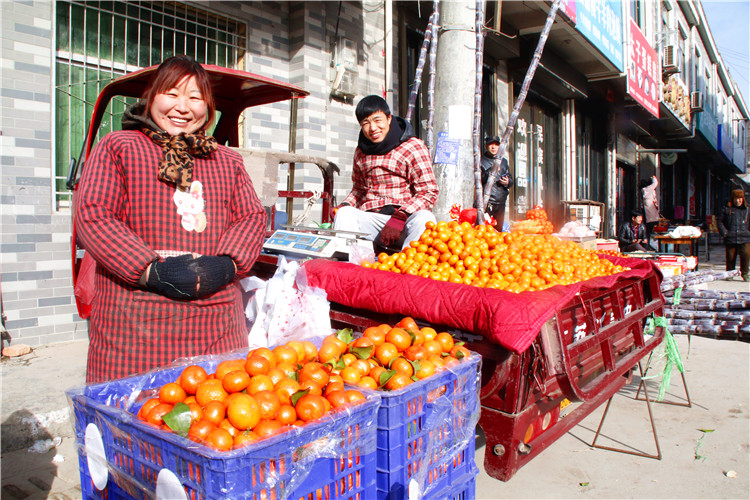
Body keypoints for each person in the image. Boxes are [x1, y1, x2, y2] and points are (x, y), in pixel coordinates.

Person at [75, 55, 267, 383]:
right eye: (172, 93)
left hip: (215, 320)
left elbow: (250, 216)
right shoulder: (117, 146)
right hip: (134, 323)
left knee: (217, 415)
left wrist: (225, 266)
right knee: (138, 420)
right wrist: (152, 271)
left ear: (208, 107)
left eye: (195, 97)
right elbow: (94, 213)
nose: (182, 106)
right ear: (151, 97)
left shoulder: (228, 161)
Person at [333, 95, 438, 251]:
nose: (373, 128)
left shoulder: (412, 146)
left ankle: (408, 266)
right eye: (365, 123)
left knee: (425, 218)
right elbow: (359, 190)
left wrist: (402, 215)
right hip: (373, 219)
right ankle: (347, 268)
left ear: (389, 118)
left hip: (404, 220)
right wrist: (345, 204)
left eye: (377, 120)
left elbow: (428, 191)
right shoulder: (361, 152)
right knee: (344, 214)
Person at [480, 135, 513, 230]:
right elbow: (479, 180)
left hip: (501, 201)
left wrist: (507, 182)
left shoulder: (504, 162)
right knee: (487, 230)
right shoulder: (481, 161)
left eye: (496, 144)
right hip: (488, 202)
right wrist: (491, 170)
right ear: (486, 146)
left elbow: (510, 179)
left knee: (498, 230)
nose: (493, 147)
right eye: (491, 144)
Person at [717, 189, 750, 282]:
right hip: (730, 237)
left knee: (746, 255)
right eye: (736, 198)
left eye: (740, 198)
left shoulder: (747, 210)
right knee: (731, 257)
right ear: (732, 199)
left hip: (745, 237)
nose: (738, 200)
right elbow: (719, 221)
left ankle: (745, 273)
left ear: (743, 199)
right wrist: (724, 232)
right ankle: (730, 274)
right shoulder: (726, 209)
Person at [639, 175, 660, 240]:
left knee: (649, 227)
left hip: (649, 210)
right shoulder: (647, 189)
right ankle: (647, 241)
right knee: (649, 227)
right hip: (650, 211)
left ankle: (647, 240)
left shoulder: (644, 190)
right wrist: (653, 178)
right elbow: (655, 183)